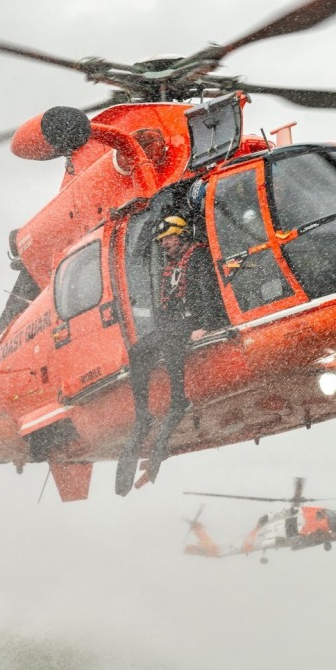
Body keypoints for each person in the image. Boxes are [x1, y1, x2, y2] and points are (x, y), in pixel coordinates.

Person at [115, 212, 212, 495]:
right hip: (173, 323)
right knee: (138, 353)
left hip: (190, 321)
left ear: (181, 235)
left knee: (171, 344)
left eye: (168, 238)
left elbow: (208, 292)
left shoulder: (198, 257)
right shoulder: (170, 264)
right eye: (162, 240)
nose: (165, 244)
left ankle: (178, 399)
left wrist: (204, 325)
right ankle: (143, 413)